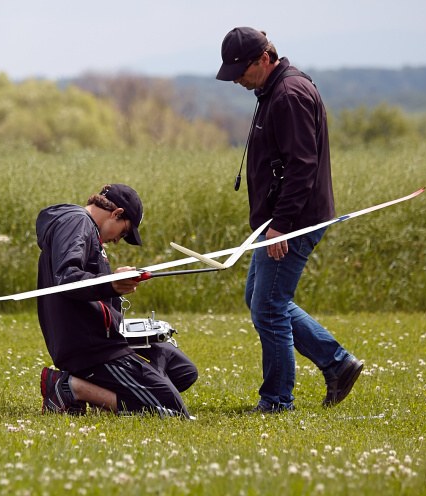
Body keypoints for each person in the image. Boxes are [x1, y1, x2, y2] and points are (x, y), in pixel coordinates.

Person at [216, 27, 363, 413]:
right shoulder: (273, 90)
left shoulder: (290, 94)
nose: (236, 80)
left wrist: (282, 224)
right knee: (261, 299)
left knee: (268, 305)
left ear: (264, 59)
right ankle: (337, 363)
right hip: (280, 219)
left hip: (294, 220)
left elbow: (303, 167)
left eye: (240, 71)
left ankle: (278, 400)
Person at [35, 183, 197, 417]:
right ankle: (70, 388)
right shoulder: (77, 222)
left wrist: (112, 281)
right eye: (123, 232)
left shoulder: (83, 227)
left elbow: (85, 279)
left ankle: (130, 387)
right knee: (170, 409)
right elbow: (67, 278)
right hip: (92, 349)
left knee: (183, 371)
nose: (118, 240)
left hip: (109, 337)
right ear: (117, 213)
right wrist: (110, 283)